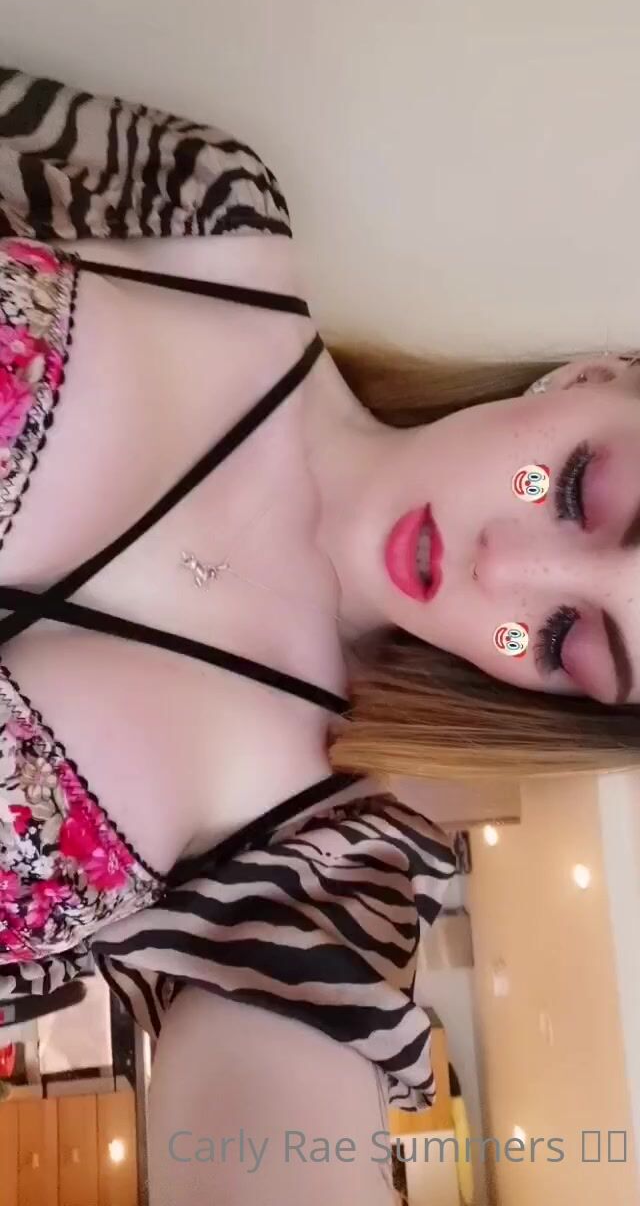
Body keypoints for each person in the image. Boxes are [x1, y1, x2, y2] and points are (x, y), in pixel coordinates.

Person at [0, 66, 639, 1203]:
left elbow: (273, 1141)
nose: (505, 569)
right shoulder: (204, 216)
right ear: (590, 378)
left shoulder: (324, 867)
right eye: (574, 488)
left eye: (568, 639)